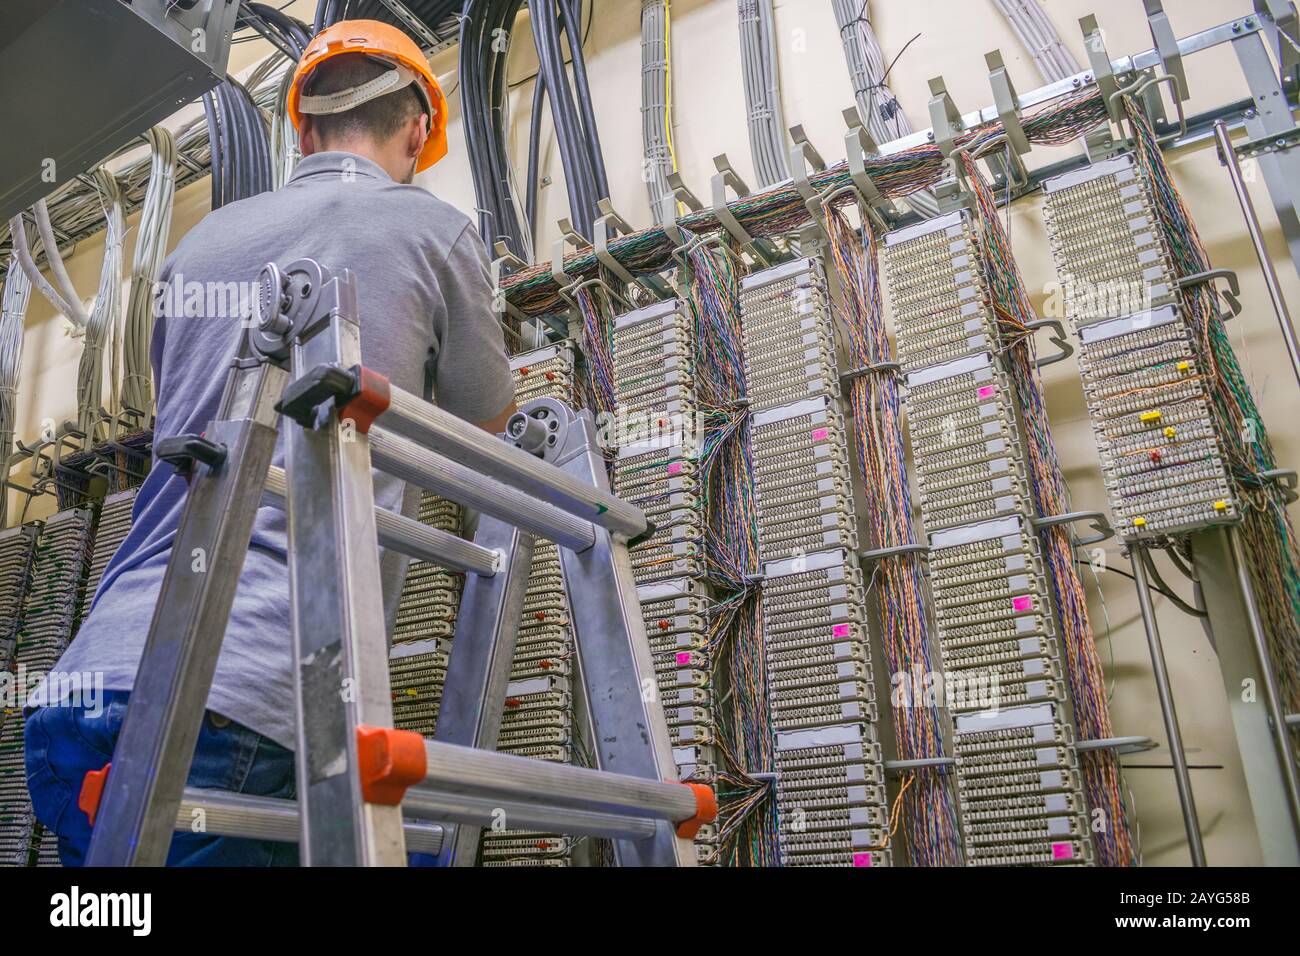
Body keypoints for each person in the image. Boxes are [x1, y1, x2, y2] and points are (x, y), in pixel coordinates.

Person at [24, 20, 516, 866]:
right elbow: (488, 431)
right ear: (415, 132)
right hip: (245, 698)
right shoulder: (433, 232)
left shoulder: (194, 249)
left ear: (303, 131)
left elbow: (186, 415)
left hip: (85, 694)